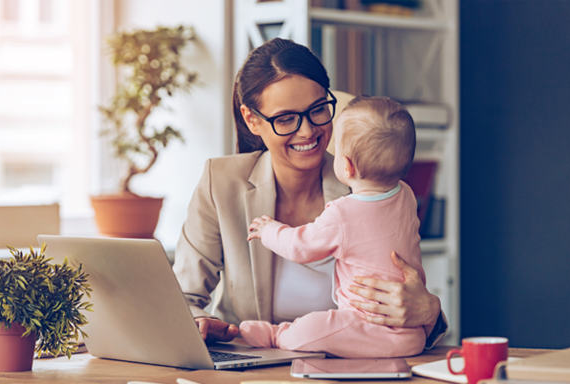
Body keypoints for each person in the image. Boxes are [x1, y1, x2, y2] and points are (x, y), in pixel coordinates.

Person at [172, 37, 446, 347]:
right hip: (251, 364)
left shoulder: (370, 185)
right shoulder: (220, 182)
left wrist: (430, 311)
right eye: (286, 119)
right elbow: (182, 297)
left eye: (317, 110)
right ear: (252, 120)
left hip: (346, 365)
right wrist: (199, 322)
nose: (307, 131)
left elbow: (407, 286)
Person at [239, 96, 425, 358]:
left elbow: (300, 247)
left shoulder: (343, 213)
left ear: (346, 166)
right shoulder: (406, 195)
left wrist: (268, 230)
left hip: (365, 324)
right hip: (411, 335)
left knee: (313, 327)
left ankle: (277, 334)